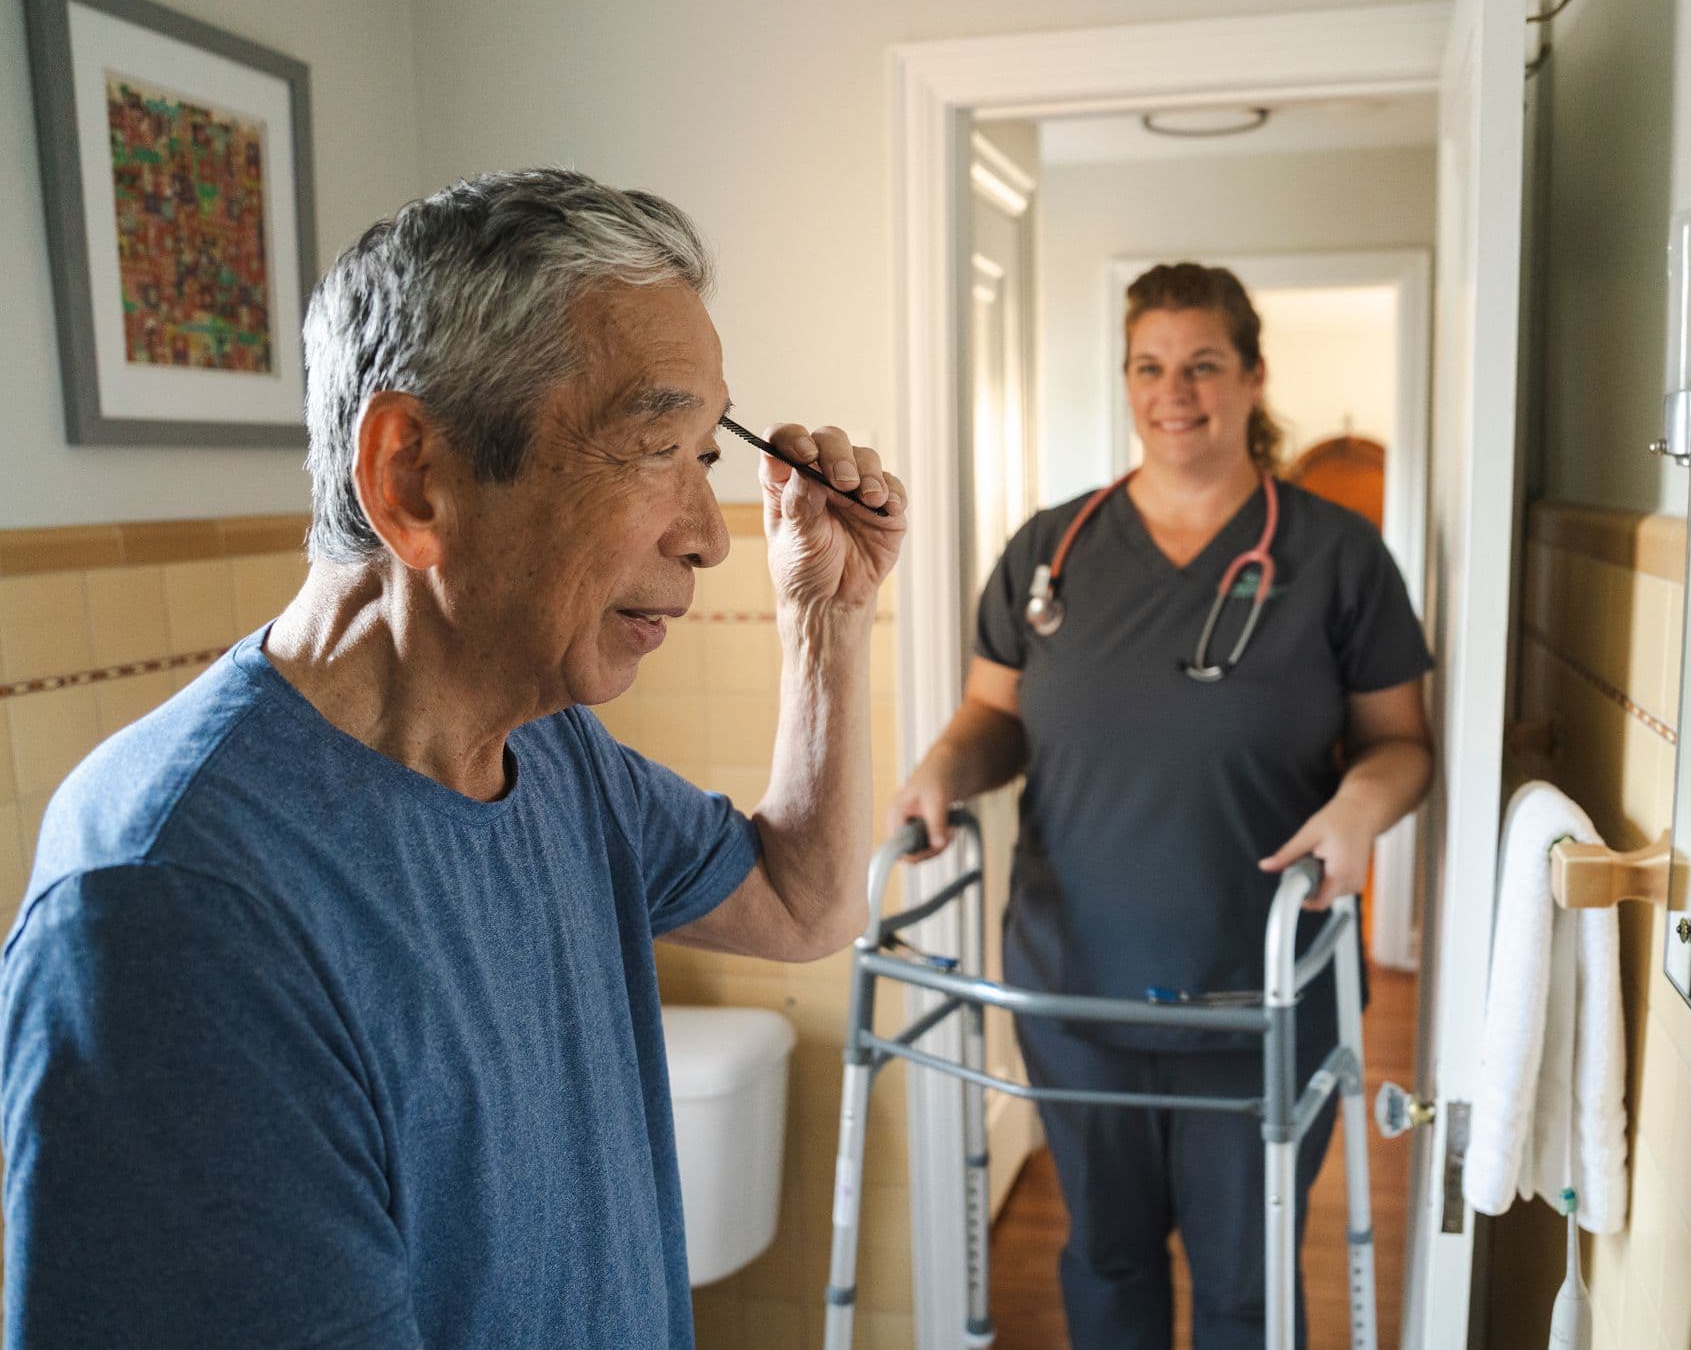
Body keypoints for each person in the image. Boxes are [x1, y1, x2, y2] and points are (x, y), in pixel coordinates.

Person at [0, 168, 905, 1349]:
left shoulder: (553, 751)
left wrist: (827, 618)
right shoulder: (172, 905)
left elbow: (801, 899)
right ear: (414, 476)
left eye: (708, 454)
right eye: (655, 446)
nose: (706, 535)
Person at [891, 262, 1434, 1349]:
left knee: (1246, 1281)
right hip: (1077, 984)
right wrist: (944, 768)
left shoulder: (1337, 557)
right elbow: (992, 718)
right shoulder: (1053, 550)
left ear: (1252, 377)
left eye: (1202, 365)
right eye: (1149, 364)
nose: (1173, 390)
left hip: (1262, 988)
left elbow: (1401, 744)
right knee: (1107, 1255)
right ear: (1127, 376)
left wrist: (1361, 809)